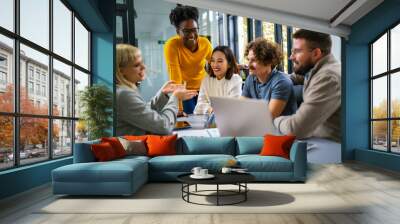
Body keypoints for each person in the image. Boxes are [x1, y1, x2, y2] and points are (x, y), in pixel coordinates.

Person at [273, 29, 341, 163]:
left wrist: (275, 119)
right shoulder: (317, 69)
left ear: (316, 53)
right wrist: (274, 79)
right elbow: (295, 77)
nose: (291, 57)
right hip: (319, 142)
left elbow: (295, 129)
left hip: (333, 150)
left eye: (297, 51)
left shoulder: (327, 77)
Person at [116, 44, 197, 136]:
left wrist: (163, 94)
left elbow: (142, 113)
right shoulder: (124, 94)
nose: (144, 67)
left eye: (142, 62)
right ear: (120, 70)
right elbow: (164, 127)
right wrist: (175, 98)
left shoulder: (121, 91)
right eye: (136, 65)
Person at [164, 4, 213, 115]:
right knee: (189, 118)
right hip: (185, 91)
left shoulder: (205, 43)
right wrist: (179, 109)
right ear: (178, 31)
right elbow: (175, 77)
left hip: (204, 89)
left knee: (207, 119)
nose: (191, 35)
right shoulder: (172, 45)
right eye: (186, 31)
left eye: (194, 30)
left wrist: (232, 65)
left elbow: (215, 62)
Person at [242, 38, 297, 118]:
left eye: (253, 60)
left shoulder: (281, 82)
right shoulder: (250, 79)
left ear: (268, 62)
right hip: (259, 127)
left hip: (281, 129)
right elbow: (241, 109)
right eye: (248, 59)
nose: (248, 64)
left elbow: (268, 118)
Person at [193, 46, 243, 115]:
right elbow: (198, 108)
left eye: (220, 61)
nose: (215, 65)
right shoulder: (206, 80)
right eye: (212, 61)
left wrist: (211, 108)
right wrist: (210, 109)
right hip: (210, 122)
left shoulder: (235, 80)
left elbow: (233, 107)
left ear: (229, 64)